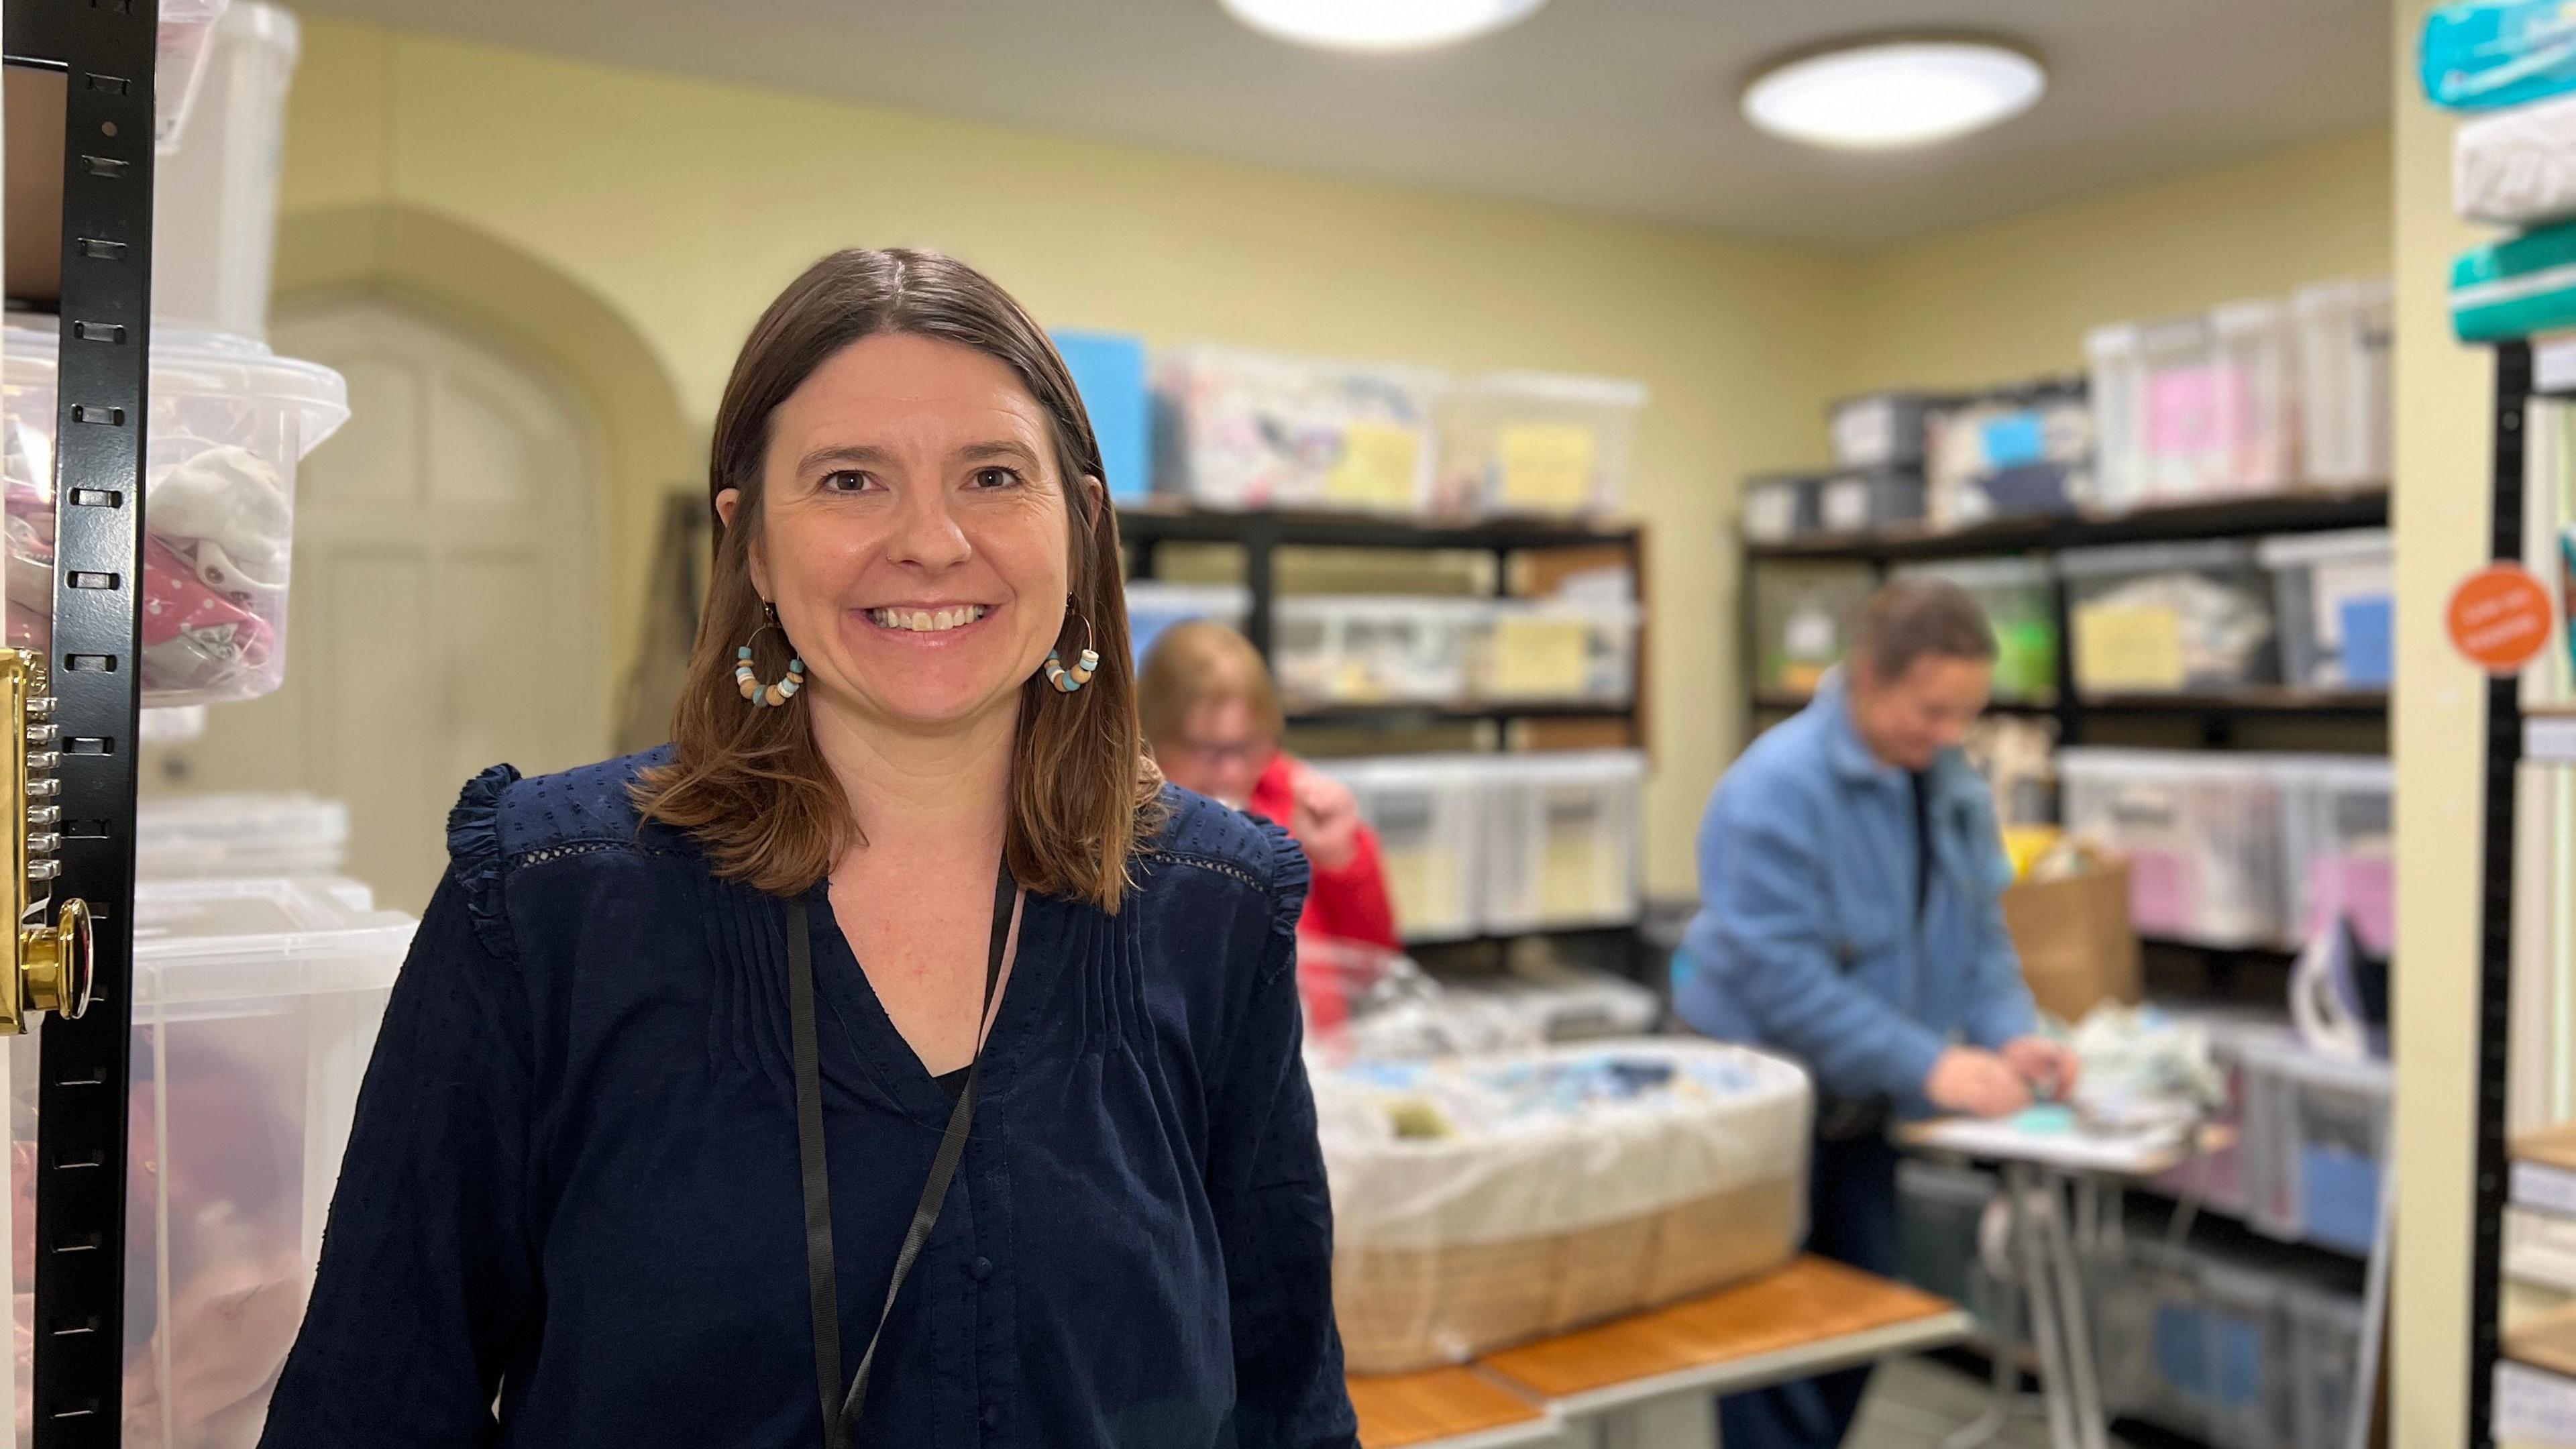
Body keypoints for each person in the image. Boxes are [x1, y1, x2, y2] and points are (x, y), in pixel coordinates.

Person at [258, 249, 1358, 1449]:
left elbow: (1285, 1395)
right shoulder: (544, 906)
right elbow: (376, 1397)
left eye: (993, 475)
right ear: (754, 546)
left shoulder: (1216, 910)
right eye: (849, 480)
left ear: (1081, 526)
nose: (931, 542)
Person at [1672, 578, 2078, 1449]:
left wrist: (2015, 1033)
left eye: (1962, 716)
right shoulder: (1772, 791)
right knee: (1769, 1346)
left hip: (1865, 1101)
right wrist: (1930, 1064)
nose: (1944, 736)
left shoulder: (1946, 780)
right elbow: (1781, 977)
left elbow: (1979, 929)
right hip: (1764, 1106)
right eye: (1928, 711)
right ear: (1867, 675)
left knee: (1861, 1315)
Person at [1138, 620, 1401, 953]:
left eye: (1247, 747)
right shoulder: (1127, 821)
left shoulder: (1297, 803)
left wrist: (1339, 861)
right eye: (1205, 749)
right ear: (1150, 738)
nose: (1231, 774)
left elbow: (1374, 961)